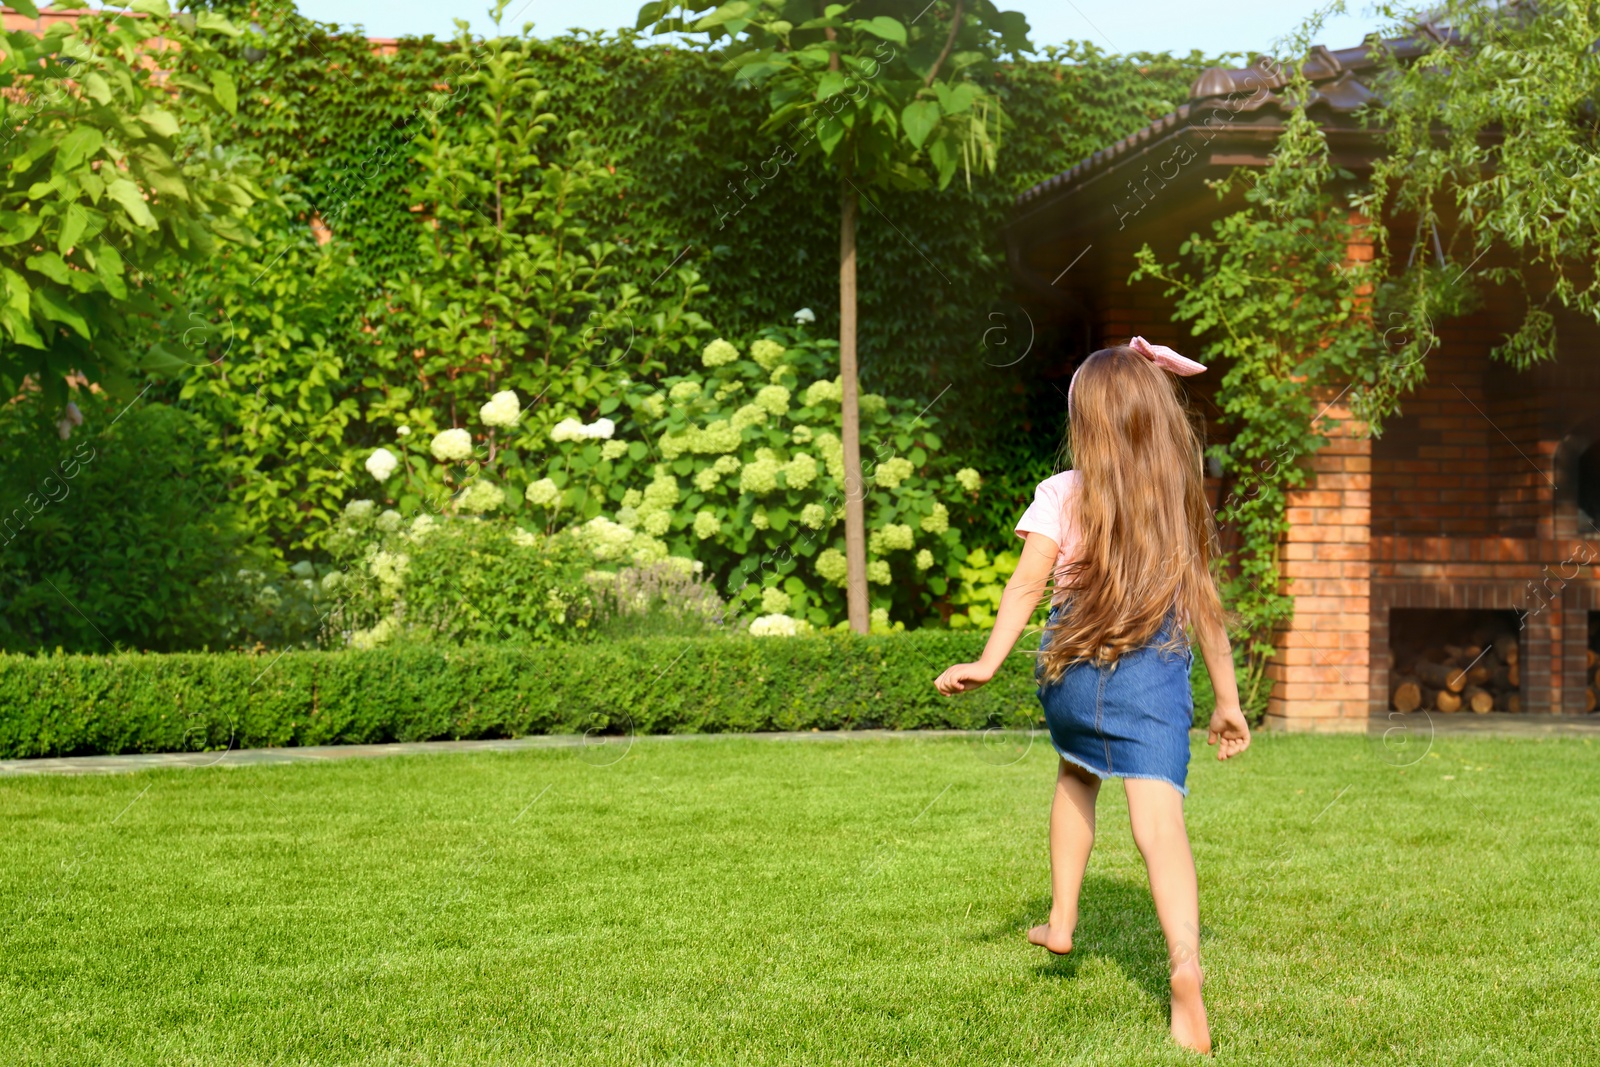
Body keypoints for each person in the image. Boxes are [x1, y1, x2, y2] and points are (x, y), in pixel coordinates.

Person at [935, 337, 1251, 1056]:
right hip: (1154, 679)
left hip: (1072, 674)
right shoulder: (1176, 497)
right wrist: (1227, 703)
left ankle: (1063, 918)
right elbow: (1206, 609)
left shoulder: (1063, 492)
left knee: (1077, 774)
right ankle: (1184, 964)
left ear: (1087, 423)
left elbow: (1025, 585)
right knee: (1159, 824)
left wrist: (988, 660)